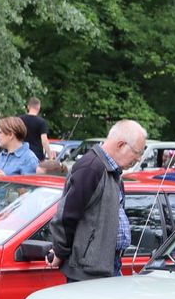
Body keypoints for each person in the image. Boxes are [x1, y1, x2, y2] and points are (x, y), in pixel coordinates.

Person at [49, 120, 146, 282]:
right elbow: (67, 215)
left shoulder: (111, 171)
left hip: (105, 266)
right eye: (137, 152)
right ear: (121, 145)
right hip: (87, 271)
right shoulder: (92, 168)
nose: (138, 159)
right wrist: (60, 251)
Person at [21, 97, 54, 162]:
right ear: (39, 107)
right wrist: (50, 157)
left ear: (28, 107)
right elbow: (44, 141)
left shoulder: (20, 120)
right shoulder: (41, 122)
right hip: (37, 155)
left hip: (22, 154)